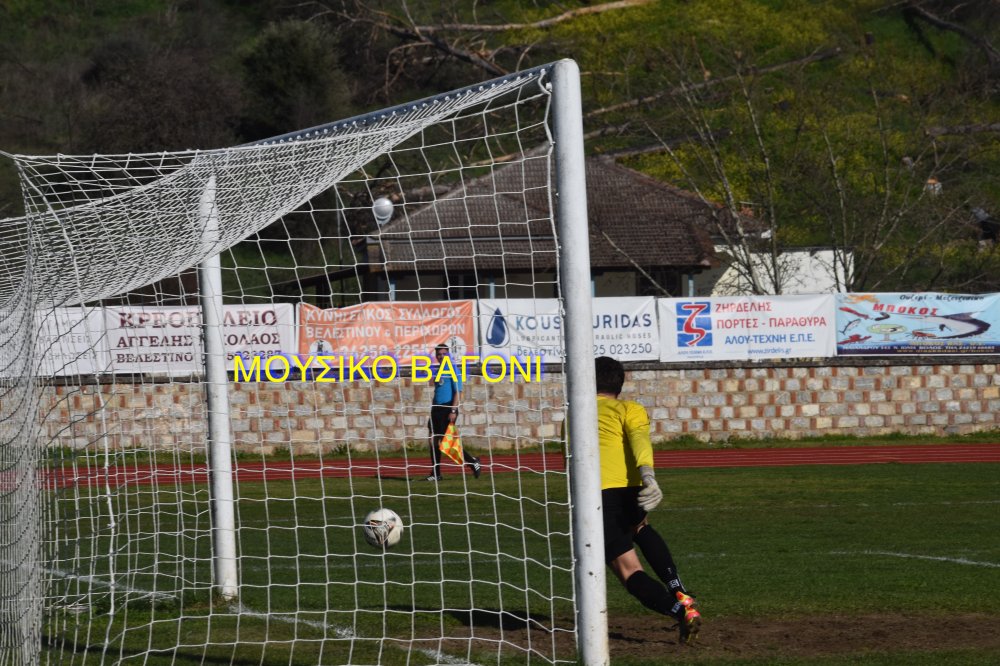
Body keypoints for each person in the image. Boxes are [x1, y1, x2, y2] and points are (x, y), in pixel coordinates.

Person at [592, 355, 701, 644]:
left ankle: (680, 611)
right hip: (632, 490)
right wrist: (648, 475)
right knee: (640, 527)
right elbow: (640, 439)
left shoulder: (575, 415)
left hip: (599, 495)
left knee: (629, 571)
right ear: (621, 383)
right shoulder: (630, 408)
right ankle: (679, 590)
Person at [426, 343, 481, 481]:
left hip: (447, 408)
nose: (441, 356)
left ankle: (473, 462)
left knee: (447, 442)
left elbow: (458, 391)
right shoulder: (439, 370)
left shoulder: (453, 369)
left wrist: (453, 410)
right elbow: (435, 388)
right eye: (439, 354)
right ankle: (436, 474)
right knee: (433, 440)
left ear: (449, 355)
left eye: (444, 354)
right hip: (436, 409)